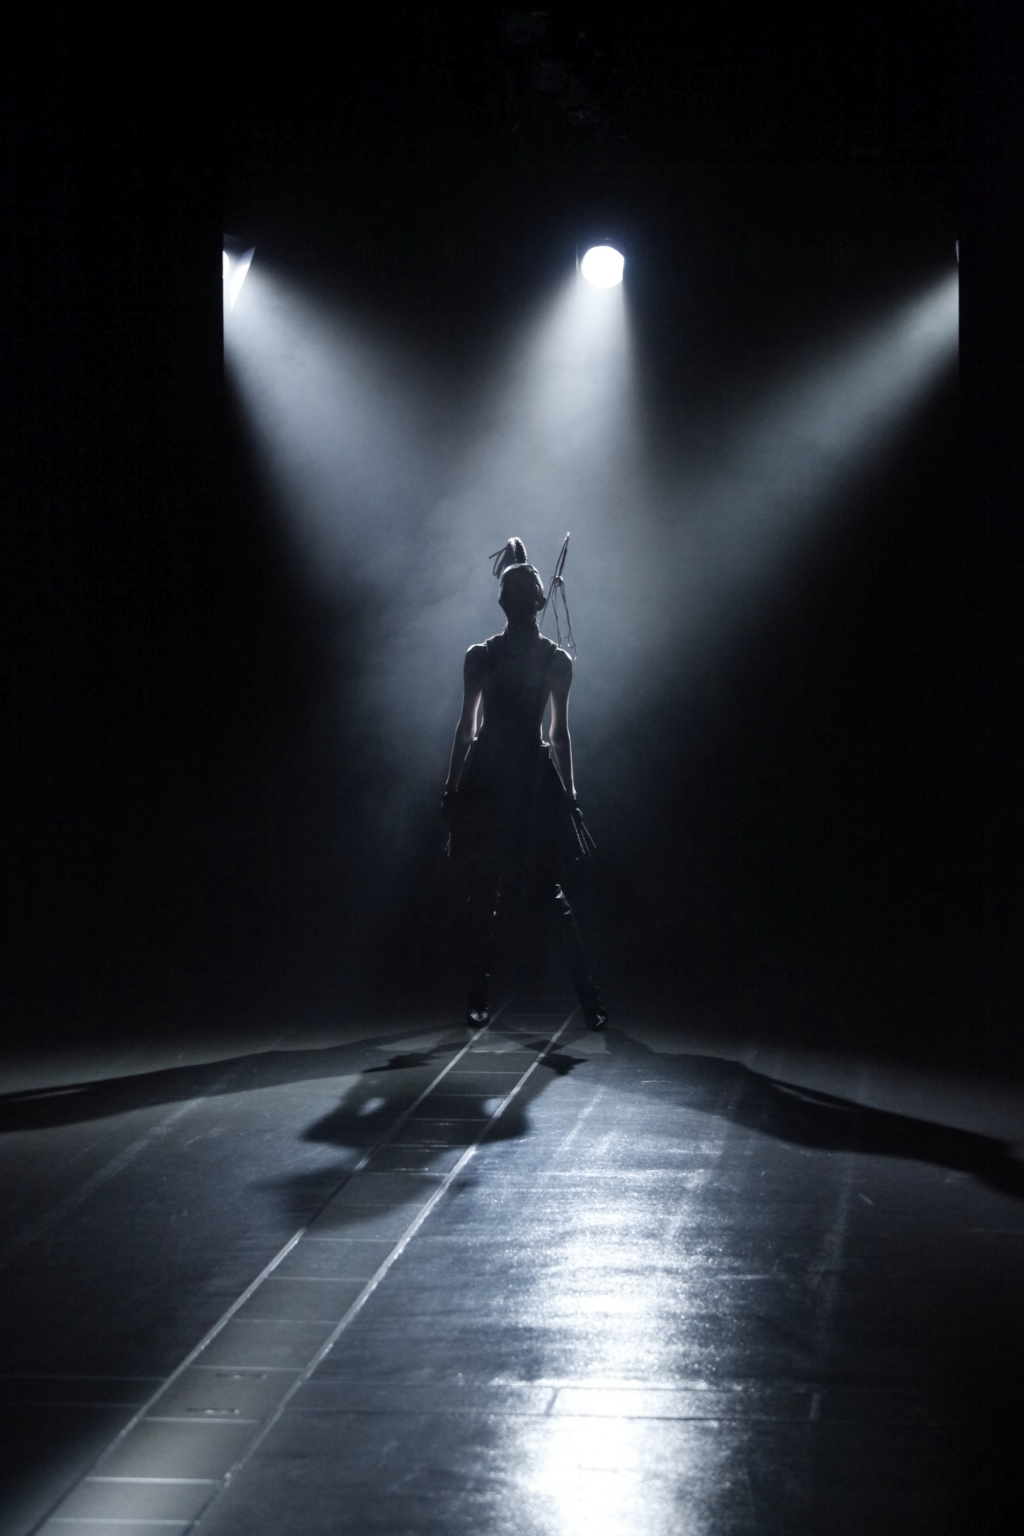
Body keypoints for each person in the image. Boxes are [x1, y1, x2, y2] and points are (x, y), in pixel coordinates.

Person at [442, 537, 607, 1031]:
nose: (524, 601)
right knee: (494, 892)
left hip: (522, 781)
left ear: (531, 601)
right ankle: (485, 997)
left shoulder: (547, 659)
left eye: (525, 593)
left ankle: (587, 998)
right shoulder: (489, 656)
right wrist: (452, 790)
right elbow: (470, 729)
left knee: (535, 892)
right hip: (499, 779)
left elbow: (555, 734)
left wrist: (570, 794)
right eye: (520, 594)